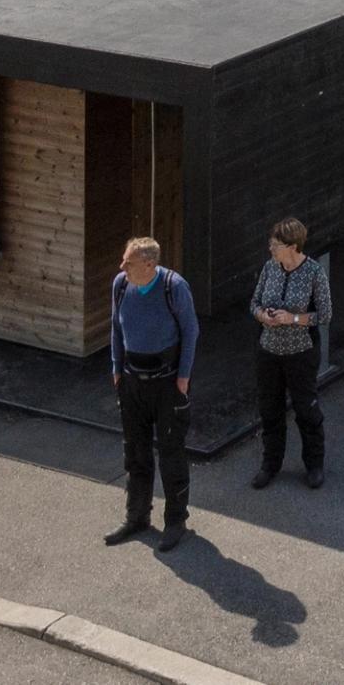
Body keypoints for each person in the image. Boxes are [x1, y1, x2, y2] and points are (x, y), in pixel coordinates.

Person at [107, 235, 199, 550]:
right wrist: (117, 368)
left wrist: (184, 377)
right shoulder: (121, 285)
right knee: (135, 452)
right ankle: (137, 517)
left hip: (167, 383)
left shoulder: (175, 288)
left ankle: (176, 521)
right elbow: (116, 327)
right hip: (132, 381)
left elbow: (191, 330)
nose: (122, 267)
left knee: (171, 453)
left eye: (128, 262)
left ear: (149, 264)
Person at [247, 214, 330, 492]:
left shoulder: (314, 273)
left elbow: (325, 315)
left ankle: (314, 465)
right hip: (268, 351)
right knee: (269, 410)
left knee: (306, 409)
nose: (271, 249)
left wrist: (292, 319)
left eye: (276, 244)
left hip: (300, 353)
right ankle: (270, 465)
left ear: (293, 246)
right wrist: (263, 315)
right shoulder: (270, 268)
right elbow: (254, 302)